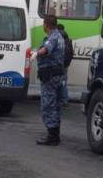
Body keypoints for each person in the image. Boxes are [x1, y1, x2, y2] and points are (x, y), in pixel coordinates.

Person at [32, 15, 66, 146]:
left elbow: (47, 49)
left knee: (48, 105)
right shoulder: (60, 36)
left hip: (50, 76)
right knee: (55, 105)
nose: (43, 26)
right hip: (56, 75)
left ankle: (52, 136)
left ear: (46, 24)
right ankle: (55, 135)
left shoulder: (53, 37)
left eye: (43, 24)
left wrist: (36, 54)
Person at [57, 24, 73, 105]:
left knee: (56, 81)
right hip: (65, 64)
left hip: (58, 63)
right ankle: (65, 99)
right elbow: (71, 54)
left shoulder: (57, 37)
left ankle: (59, 99)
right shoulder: (68, 40)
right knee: (63, 81)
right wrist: (67, 63)